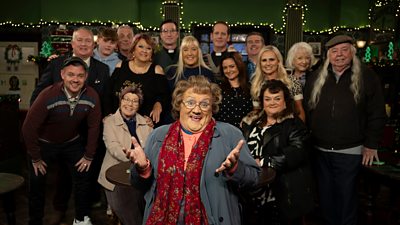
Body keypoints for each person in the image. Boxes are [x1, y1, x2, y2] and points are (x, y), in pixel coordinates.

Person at [126, 75, 260, 225]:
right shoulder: (158, 136)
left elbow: (254, 179)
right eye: (190, 103)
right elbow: (138, 184)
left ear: (212, 108)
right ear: (179, 105)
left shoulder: (229, 135)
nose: (196, 110)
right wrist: (143, 170)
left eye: (204, 104)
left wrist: (236, 169)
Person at [29, 26, 110, 224]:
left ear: (94, 45)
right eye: (79, 40)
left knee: (85, 176)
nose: (83, 44)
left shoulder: (102, 69)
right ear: (72, 43)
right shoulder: (57, 64)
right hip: (55, 132)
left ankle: (82, 216)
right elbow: (38, 93)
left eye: (88, 41)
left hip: (86, 133)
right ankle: (59, 209)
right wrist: (39, 118)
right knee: (60, 178)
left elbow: (104, 101)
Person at [303, 34, 386, 225]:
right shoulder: (316, 77)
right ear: (327, 55)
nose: (339, 55)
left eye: (344, 50)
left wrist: (371, 144)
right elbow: (308, 110)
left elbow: (377, 113)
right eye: (334, 51)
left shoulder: (367, 76)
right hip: (320, 151)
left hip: (351, 152)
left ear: (352, 52)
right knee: (325, 200)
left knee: (347, 200)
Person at [241, 79, 313, 224]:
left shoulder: (293, 124)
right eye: (267, 99)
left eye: (277, 99)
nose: (272, 102)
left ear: (285, 102)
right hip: (252, 188)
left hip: (281, 191)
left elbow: (297, 151)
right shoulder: (251, 122)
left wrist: (264, 161)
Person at [98, 85, 153, 225]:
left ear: (139, 105)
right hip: (115, 178)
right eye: (126, 99)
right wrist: (136, 158)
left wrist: (142, 162)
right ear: (120, 101)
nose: (129, 104)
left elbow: (151, 150)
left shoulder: (147, 123)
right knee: (129, 214)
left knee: (147, 209)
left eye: (135, 101)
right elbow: (113, 148)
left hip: (139, 176)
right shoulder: (109, 121)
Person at [109, 33, 169, 125]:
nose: (144, 51)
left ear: (152, 53)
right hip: (119, 121)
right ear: (133, 50)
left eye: (148, 48)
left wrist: (158, 104)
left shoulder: (157, 70)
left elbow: (164, 96)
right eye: (141, 46)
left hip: (146, 122)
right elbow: (109, 93)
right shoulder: (121, 66)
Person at [249, 45, 305, 122]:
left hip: (289, 126)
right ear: (260, 63)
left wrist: (301, 131)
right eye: (264, 60)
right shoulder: (256, 84)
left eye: (271, 60)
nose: (268, 63)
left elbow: (299, 110)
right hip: (266, 127)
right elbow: (256, 111)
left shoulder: (291, 81)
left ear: (278, 61)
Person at [214, 52, 252, 128]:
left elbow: (256, 111)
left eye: (232, 66)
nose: (228, 70)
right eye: (225, 68)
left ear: (239, 66)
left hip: (244, 133)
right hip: (222, 132)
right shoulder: (217, 88)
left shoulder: (250, 88)